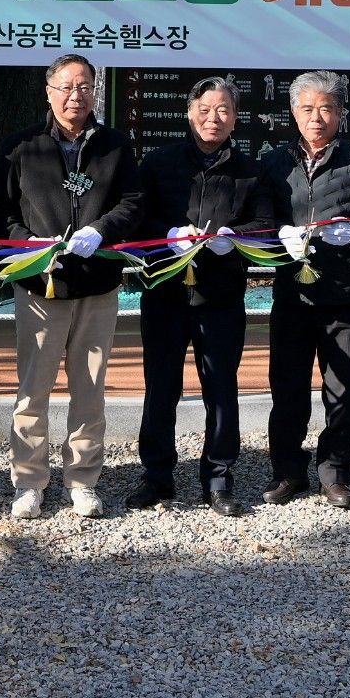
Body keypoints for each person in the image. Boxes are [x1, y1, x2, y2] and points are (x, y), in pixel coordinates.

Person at [0, 53, 142, 520]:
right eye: (66, 86)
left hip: (97, 288)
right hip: (40, 286)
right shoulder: (22, 146)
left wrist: (103, 230)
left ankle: (82, 480)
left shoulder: (115, 146)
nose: (76, 95)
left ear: (96, 90)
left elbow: (133, 202)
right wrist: (24, 244)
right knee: (33, 390)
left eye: (85, 86)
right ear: (49, 91)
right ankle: (29, 481)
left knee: (90, 389)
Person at [131, 76, 273, 517]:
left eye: (224, 110)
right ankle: (157, 476)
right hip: (165, 295)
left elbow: (267, 226)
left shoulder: (251, 170)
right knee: (160, 388)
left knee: (221, 389)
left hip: (221, 295)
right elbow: (135, 221)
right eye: (206, 109)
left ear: (235, 117)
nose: (214, 118)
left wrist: (237, 236)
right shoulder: (157, 163)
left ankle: (219, 478)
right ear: (190, 112)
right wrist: (167, 234)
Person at [257, 70, 350, 510]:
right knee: (287, 387)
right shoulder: (273, 162)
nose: (316, 117)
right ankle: (287, 471)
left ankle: (336, 473)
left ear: (340, 113)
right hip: (292, 295)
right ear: (293, 112)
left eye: (326, 108)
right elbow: (258, 224)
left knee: (345, 390)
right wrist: (276, 236)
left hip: (346, 295)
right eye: (307, 108)